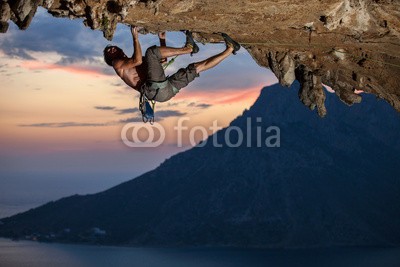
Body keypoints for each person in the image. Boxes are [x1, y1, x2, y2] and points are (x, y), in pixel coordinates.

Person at [103, 26, 240, 103]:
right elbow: (137, 61)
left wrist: (162, 40)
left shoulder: (129, 62)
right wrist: (135, 37)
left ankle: (230, 49)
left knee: (196, 68)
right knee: (151, 52)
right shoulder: (117, 64)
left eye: (112, 47)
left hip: (163, 93)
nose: (111, 49)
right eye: (109, 52)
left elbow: (162, 61)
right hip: (155, 89)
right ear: (111, 59)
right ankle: (189, 48)